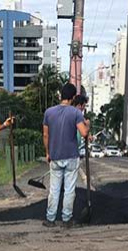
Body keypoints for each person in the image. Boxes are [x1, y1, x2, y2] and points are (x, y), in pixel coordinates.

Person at [42, 83, 89, 228]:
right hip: (71, 157)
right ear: (73, 97)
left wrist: (48, 152)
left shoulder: (48, 112)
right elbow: (84, 133)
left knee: (54, 189)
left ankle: (50, 219)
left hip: (55, 156)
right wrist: (87, 125)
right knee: (69, 190)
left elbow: (45, 135)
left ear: (61, 95)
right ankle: (66, 219)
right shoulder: (75, 113)